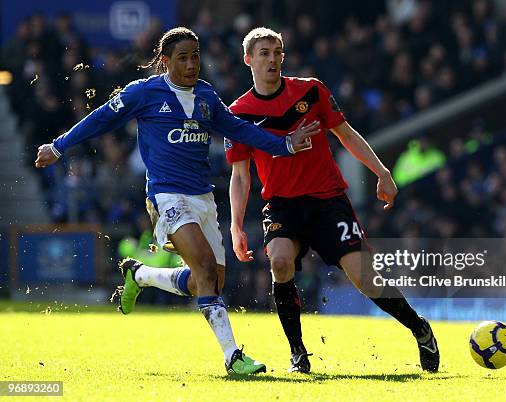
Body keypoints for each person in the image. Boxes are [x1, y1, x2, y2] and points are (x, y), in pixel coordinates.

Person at [34, 27, 319, 375]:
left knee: (208, 281)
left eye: (195, 56)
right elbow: (101, 118)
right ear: (165, 62)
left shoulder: (207, 96)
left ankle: (142, 276)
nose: (190, 64)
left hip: (202, 198)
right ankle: (233, 357)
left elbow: (240, 129)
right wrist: (59, 146)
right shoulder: (145, 92)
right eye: (182, 58)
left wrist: (285, 144)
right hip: (166, 195)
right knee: (201, 263)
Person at [224, 27, 440, 373]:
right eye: (264, 53)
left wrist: (382, 172)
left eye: (277, 52)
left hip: (327, 200)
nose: (272, 59)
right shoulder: (238, 113)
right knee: (279, 263)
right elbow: (240, 175)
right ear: (248, 59)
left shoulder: (311, 90)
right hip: (282, 205)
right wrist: (235, 225)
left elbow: (346, 134)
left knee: (364, 278)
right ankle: (298, 353)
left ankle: (420, 329)